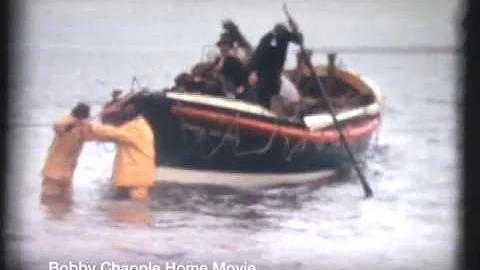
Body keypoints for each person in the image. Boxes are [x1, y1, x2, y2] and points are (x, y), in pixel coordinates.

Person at [84, 102, 156, 202]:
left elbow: (113, 133)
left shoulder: (136, 127)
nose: (125, 112)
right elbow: (110, 134)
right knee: (121, 202)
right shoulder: (134, 126)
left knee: (139, 205)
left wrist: (92, 126)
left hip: (137, 175)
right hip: (130, 173)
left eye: (128, 110)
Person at [40, 102, 91, 204]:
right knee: (50, 200)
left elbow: (95, 132)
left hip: (68, 171)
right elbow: (58, 127)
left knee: (67, 202)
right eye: (82, 117)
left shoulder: (84, 125)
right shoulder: (67, 120)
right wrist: (70, 125)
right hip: (53, 171)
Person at [246, 23, 303, 108]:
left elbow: (299, 41)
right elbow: (257, 56)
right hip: (264, 73)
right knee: (263, 95)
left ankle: (269, 110)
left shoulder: (285, 36)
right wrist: (253, 71)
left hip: (275, 74)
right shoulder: (267, 39)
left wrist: (295, 29)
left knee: (272, 94)